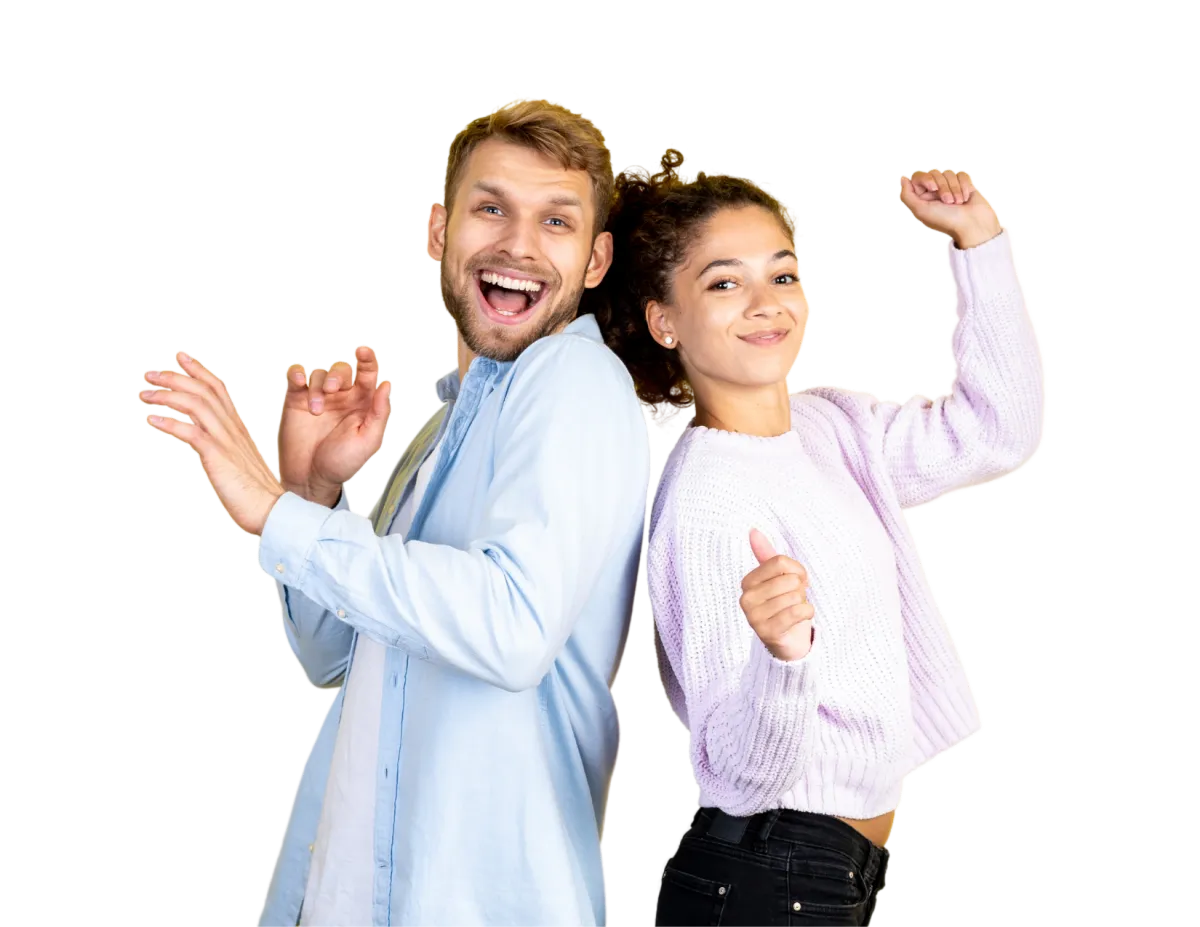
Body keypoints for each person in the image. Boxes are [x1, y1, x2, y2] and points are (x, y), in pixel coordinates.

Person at [137, 96, 650, 927]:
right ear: (438, 233)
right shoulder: (452, 418)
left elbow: (512, 626)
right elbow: (333, 656)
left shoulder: (573, 380)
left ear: (595, 262)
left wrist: (276, 511)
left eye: (555, 221)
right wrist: (311, 490)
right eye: (491, 208)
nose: (519, 245)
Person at [589, 151, 1046, 925]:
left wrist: (978, 240)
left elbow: (999, 434)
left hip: (828, 872)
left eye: (783, 275)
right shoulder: (705, 500)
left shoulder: (832, 425)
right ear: (664, 320)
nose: (767, 303)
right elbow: (735, 771)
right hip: (769, 874)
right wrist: (783, 658)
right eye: (725, 282)